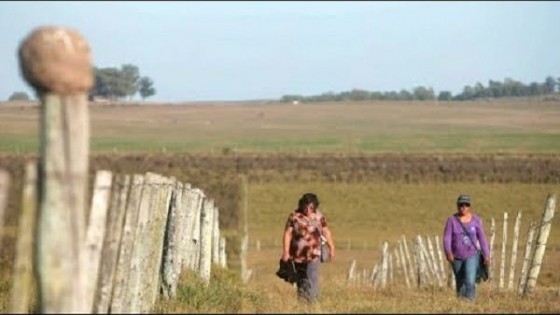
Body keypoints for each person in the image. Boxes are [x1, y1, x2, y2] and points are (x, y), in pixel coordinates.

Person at [281, 192, 335, 303]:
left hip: (314, 254)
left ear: (314, 206)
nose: (308, 209)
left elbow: (326, 231)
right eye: (306, 206)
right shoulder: (294, 216)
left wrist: (332, 247)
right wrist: (286, 252)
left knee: (312, 277)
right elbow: (287, 233)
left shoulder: (319, 216)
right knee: (301, 280)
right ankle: (302, 303)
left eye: (311, 207)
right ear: (302, 205)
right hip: (297, 255)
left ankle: (314, 303)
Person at [443, 194, 490, 301]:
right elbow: (447, 238)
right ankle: (461, 303)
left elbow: (482, 238)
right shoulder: (452, 220)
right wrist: (448, 252)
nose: (463, 207)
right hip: (456, 257)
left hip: (471, 255)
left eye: (466, 205)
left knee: (470, 280)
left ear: (469, 206)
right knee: (460, 281)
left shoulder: (476, 220)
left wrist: (486, 254)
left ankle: (470, 302)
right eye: (461, 205)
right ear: (457, 206)